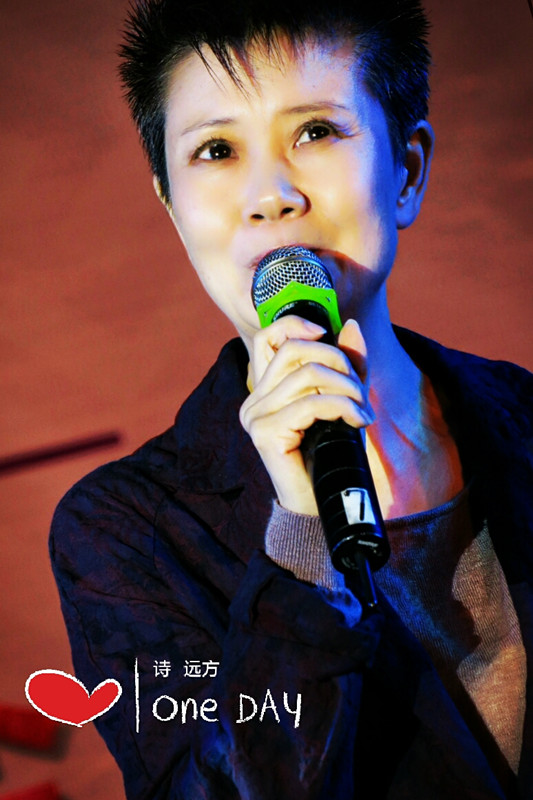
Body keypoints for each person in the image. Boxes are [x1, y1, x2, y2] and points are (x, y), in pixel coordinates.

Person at [49, 0, 533, 797]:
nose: (270, 194)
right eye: (216, 150)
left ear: (407, 169)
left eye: (314, 132)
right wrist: (303, 541)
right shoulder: (125, 533)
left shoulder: (521, 419)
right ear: (172, 208)